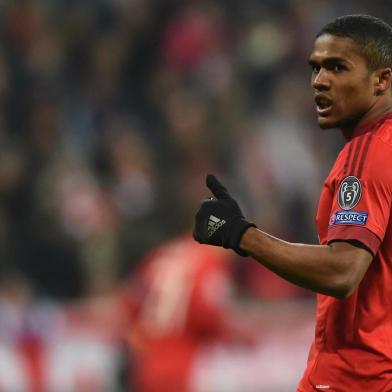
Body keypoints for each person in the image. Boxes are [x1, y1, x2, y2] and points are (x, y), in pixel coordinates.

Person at [193, 14, 392, 391]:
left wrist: (241, 234)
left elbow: (343, 271)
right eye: (315, 68)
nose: (320, 81)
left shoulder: (369, 154)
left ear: (381, 80)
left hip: (356, 378)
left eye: (338, 67)